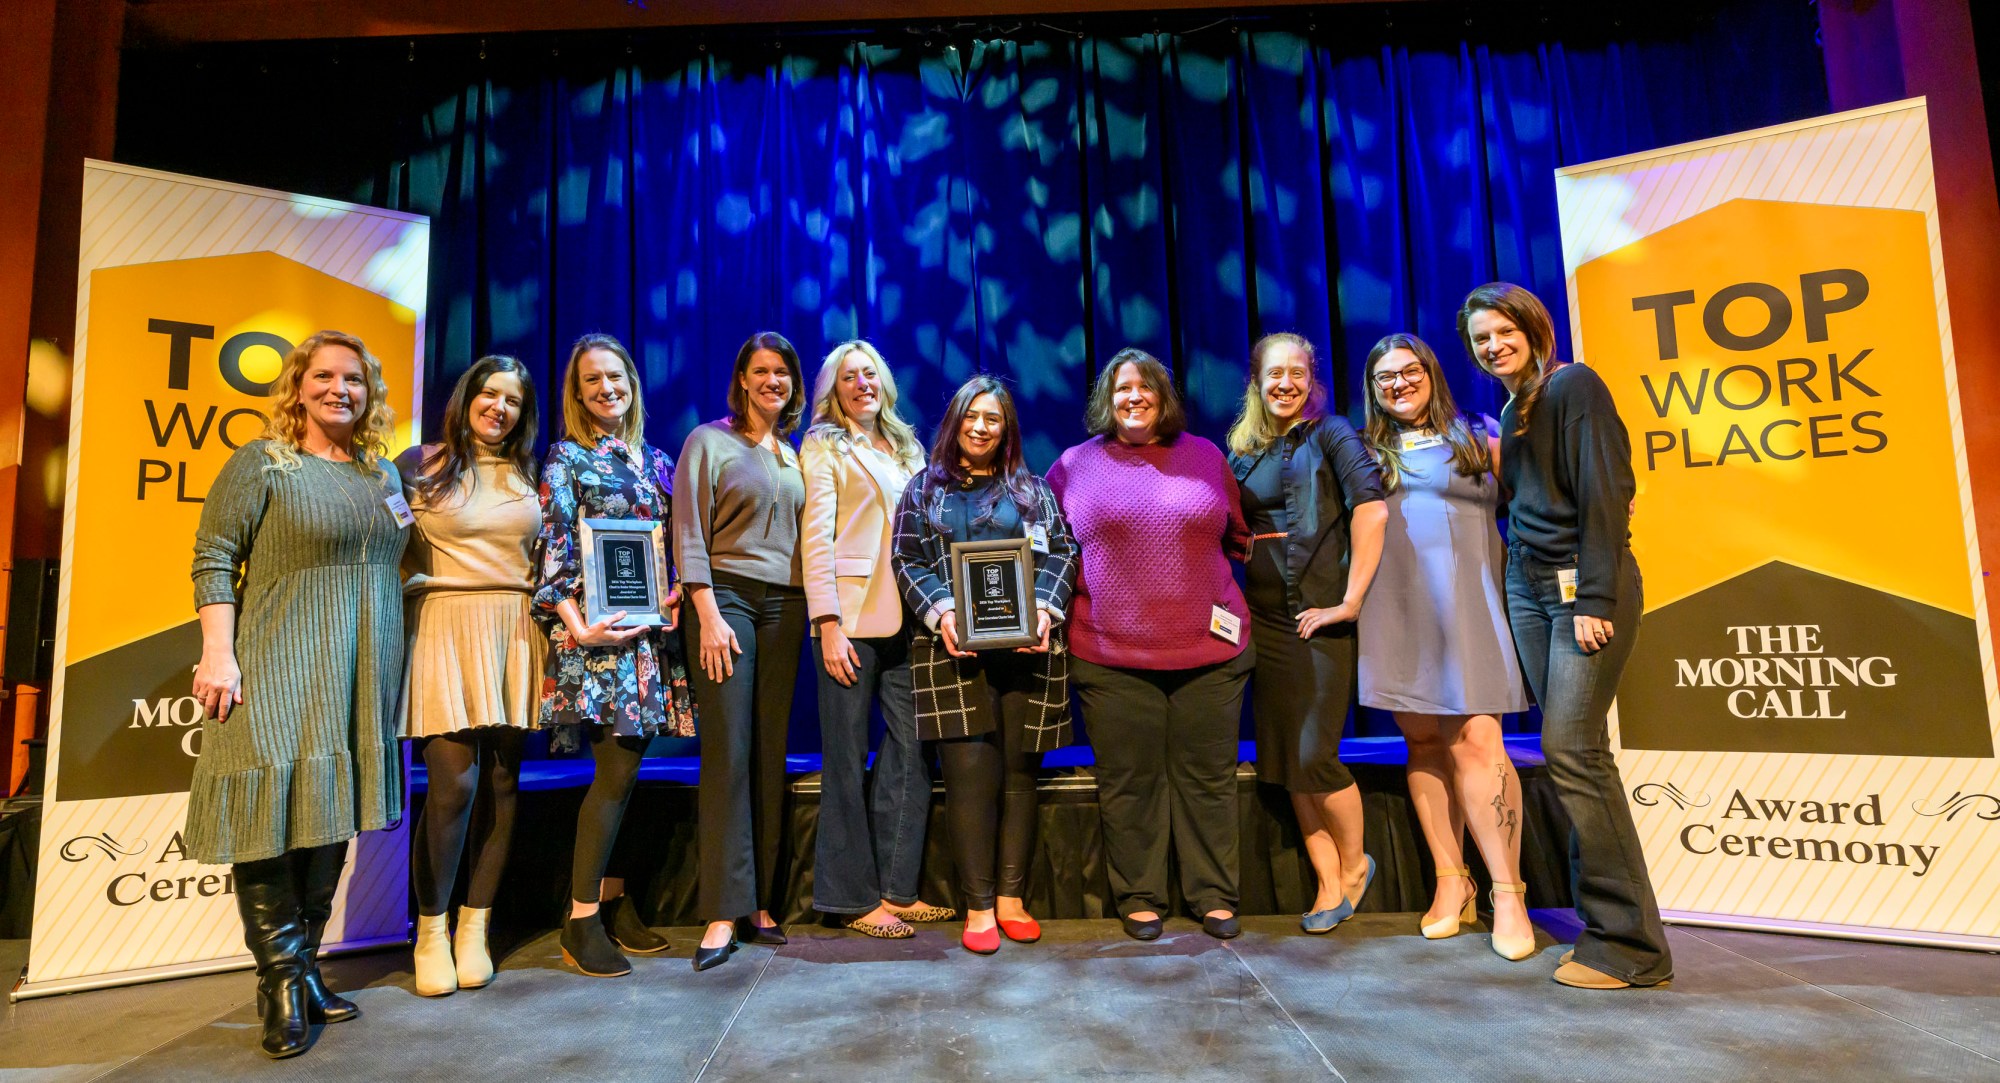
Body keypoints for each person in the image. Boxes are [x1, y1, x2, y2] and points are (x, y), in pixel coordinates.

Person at [188, 329, 408, 1058]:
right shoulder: (265, 462)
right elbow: (214, 559)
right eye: (324, 376)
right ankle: (279, 978)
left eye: (354, 378)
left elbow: (386, 560)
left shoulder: (382, 477)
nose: (339, 389)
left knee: (329, 808)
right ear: (298, 385)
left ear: (369, 392)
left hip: (360, 665)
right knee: (266, 818)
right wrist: (218, 654)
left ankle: (307, 964)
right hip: (279, 658)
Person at [1460, 282, 1671, 989]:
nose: (1493, 344)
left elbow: (1608, 493)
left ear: (1532, 327)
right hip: (1528, 585)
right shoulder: (1514, 409)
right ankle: (1601, 926)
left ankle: (1633, 946)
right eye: (1480, 337)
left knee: (1572, 748)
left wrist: (1597, 593)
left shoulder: (1573, 385)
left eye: (1502, 330)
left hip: (1580, 586)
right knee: (1576, 753)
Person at [1048, 349, 1253, 942]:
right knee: (1129, 781)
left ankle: (1212, 895)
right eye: (1121, 390)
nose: (1133, 398)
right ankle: (1140, 895)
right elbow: (1051, 554)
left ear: (1164, 396)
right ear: (1105, 402)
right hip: (1111, 657)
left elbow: (1239, 535)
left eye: (1144, 388)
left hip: (1210, 655)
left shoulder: (1207, 457)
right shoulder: (1072, 467)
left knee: (1208, 779)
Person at [1356, 333, 1534, 960]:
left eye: (1409, 371)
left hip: (1470, 606)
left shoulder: (1478, 436)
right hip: (1396, 608)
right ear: (1373, 391)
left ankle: (1508, 892)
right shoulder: (1366, 453)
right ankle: (1451, 881)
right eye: (1385, 378)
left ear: (1431, 373)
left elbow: (1535, 504)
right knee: (1424, 741)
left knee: (1481, 742)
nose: (1399, 384)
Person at [892, 376, 1077, 955]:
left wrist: (1046, 611)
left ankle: (1011, 899)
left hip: (1029, 652)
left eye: (992, 419)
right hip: (950, 652)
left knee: (1021, 777)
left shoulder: (1033, 490)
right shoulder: (923, 490)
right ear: (954, 421)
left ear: (1007, 428)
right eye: (971, 416)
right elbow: (906, 559)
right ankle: (978, 905)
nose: (980, 427)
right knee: (971, 779)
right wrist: (943, 612)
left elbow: (1063, 551)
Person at [534, 333, 697, 979]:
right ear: (577, 392)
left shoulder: (656, 459)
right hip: (597, 643)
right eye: (592, 379)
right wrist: (578, 625)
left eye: (616, 376)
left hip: (649, 642)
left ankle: (612, 900)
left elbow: (668, 543)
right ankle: (579, 919)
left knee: (628, 775)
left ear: (632, 382)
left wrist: (678, 589)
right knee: (613, 774)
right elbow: (554, 550)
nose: (607, 388)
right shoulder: (566, 458)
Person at [1224, 333, 1386, 934]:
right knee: (1284, 758)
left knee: (1316, 755)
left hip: (1317, 616)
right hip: (1261, 623)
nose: (1285, 383)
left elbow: (1372, 509)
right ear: (1257, 382)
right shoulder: (1240, 451)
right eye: (1274, 374)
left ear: (1310, 377)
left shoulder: (1333, 433)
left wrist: (1350, 601)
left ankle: (1354, 865)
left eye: (1296, 373)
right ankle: (1326, 882)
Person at [396, 355, 544, 996]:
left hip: (516, 626)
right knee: (454, 783)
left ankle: (473, 928)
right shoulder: (415, 465)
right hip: (442, 625)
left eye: (512, 400)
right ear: (467, 398)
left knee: (503, 784)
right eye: (489, 394)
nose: (499, 407)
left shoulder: (534, 474)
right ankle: (430, 930)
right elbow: (384, 550)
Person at [800, 340, 955, 938]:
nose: (861, 384)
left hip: (910, 616)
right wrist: (827, 623)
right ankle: (849, 899)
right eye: (848, 377)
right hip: (851, 620)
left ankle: (897, 888)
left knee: (913, 748)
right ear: (833, 390)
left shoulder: (909, 447)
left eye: (870, 374)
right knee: (844, 758)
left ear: (883, 383)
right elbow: (816, 538)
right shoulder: (823, 445)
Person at [675, 331, 810, 971]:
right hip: (725, 599)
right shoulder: (709, 441)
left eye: (781, 372)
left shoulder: (794, 453)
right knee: (728, 748)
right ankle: (721, 910)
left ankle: (759, 903)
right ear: (742, 379)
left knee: (767, 748)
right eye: (760, 370)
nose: (771, 381)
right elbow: (688, 532)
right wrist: (704, 611)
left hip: (787, 604)